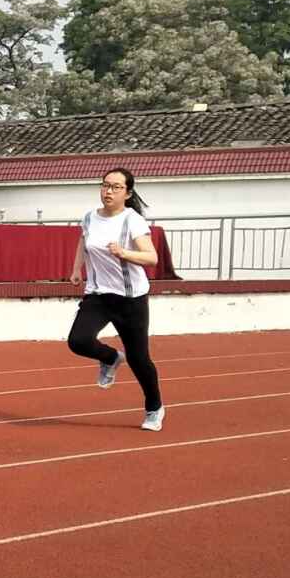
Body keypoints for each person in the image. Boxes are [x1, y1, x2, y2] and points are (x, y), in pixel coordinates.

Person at [67, 166, 166, 431]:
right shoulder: (89, 218)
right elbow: (83, 241)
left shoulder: (132, 220)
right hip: (99, 294)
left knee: (139, 358)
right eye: (105, 185)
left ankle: (154, 408)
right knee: (78, 341)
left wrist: (124, 253)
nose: (108, 191)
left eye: (115, 187)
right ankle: (111, 358)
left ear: (127, 193)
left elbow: (151, 257)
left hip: (130, 299)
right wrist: (77, 268)